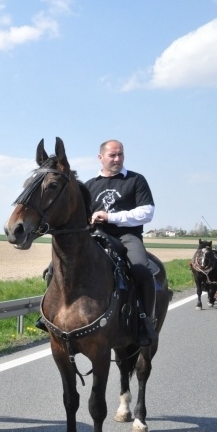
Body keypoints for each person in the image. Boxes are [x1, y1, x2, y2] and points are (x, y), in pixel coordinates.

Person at [84, 139, 159, 346]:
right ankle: (56, 318)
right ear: (101, 158)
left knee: (141, 271)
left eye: (120, 155)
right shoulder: (89, 185)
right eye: (112, 155)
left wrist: (110, 217)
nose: (117, 159)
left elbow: (146, 212)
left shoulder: (136, 180)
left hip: (127, 237)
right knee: (57, 267)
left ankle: (145, 322)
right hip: (96, 237)